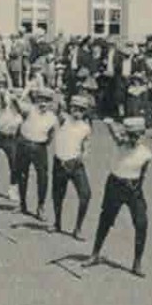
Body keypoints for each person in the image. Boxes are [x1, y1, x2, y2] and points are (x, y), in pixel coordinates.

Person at [85, 116, 151, 277]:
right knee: (106, 219)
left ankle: (137, 263)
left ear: (142, 135)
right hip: (115, 185)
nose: (133, 139)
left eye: (137, 135)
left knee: (141, 223)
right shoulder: (121, 144)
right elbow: (115, 134)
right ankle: (95, 254)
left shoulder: (146, 154)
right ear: (126, 134)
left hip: (133, 189)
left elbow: (143, 173)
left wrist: (137, 189)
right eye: (131, 135)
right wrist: (108, 124)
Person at [50, 93, 95, 238]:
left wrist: (82, 157)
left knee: (85, 195)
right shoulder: (64, 119)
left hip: (75, 164)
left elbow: (86, 146)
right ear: (71, 108)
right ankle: (57, 223)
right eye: (75, 108)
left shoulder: (86, 127)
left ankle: (78, 228)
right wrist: (58, 95)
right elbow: (57, 107)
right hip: (60, 162)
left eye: (82, 110)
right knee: (58, 195)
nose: (78, 112)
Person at [16, 88, 57, 219]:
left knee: (43, 178)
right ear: (36, 100)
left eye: (46, 101)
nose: (43, 103)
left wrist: (42, 143)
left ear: (50, 103)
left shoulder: (52, 117)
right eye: (41, 100)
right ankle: (22, 204)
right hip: (24, 144)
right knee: (22, 175)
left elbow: (51, 135)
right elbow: (18, 106)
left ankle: (41, 206)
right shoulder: (30, 109)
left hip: (40, 147)